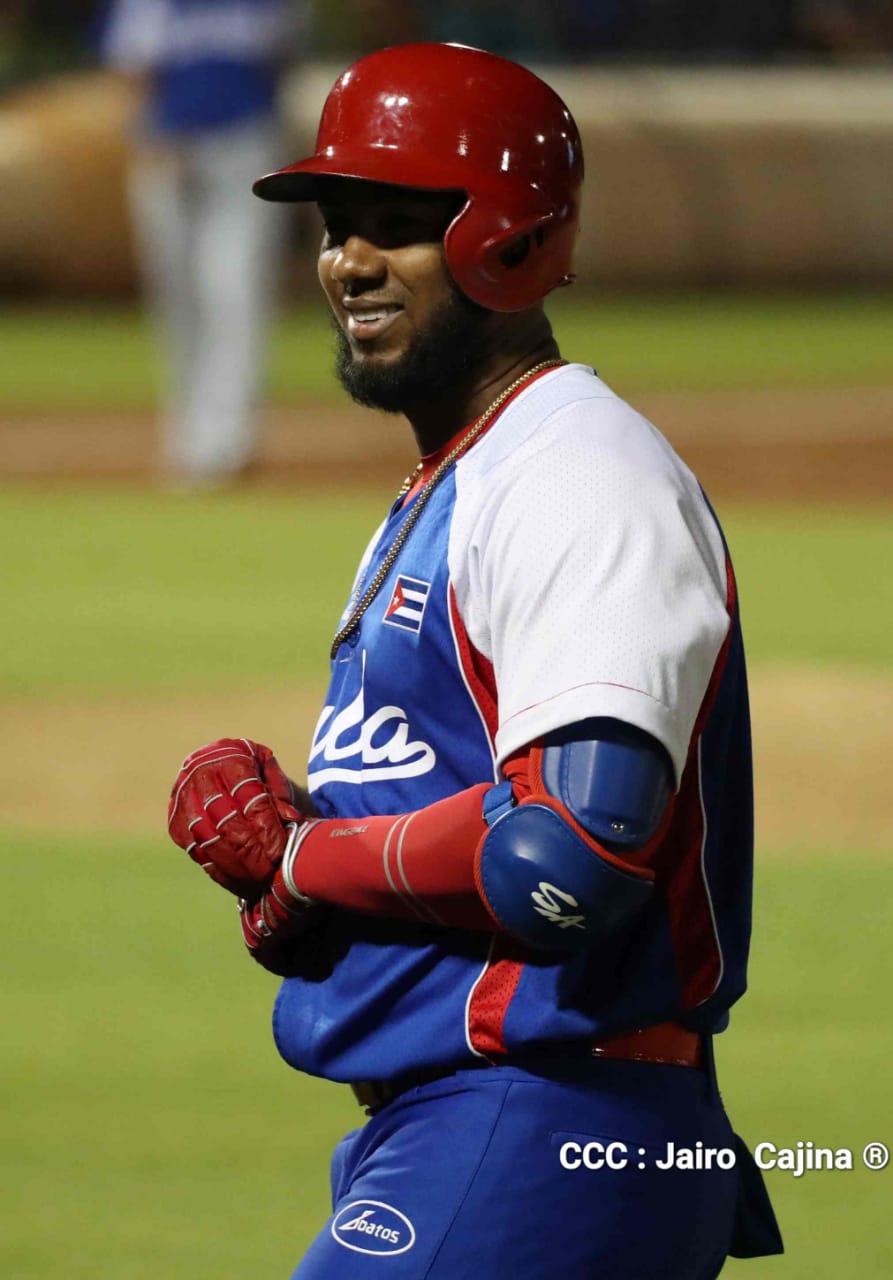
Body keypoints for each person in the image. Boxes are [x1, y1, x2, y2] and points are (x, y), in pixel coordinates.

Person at [167, 43, 783, 1278]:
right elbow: (458, 821)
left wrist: (302, 857)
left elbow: (566, 857)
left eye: (396, 223)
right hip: (490, 1129)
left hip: (541, 1122)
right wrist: (295, 861)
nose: (346, 260)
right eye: (335, 226)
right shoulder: (462, 477)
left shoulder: (576, 474)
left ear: (511, 236)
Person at [100, 0, 301, 486]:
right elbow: (130, 72)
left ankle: (229, 440)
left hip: (246, 146)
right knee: (177, 298)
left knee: (236, 289)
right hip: (168, 150)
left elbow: (280, 63)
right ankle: (188, 435)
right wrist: (152, 137)